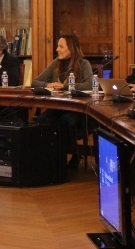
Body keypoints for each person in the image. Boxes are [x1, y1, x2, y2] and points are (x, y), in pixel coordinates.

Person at [32, 34, 93, 168]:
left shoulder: (84, 64)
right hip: (58, 107)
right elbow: (35, 81)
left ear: (70, 48)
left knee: (65, 122)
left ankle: (74, 155)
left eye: (61, 46)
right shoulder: (56, 63)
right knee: (42, 120)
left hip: (78, 110)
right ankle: (50, 156)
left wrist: (64, 86)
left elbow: (90, 85)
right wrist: (47, 85)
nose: (57, 49)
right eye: (57, 46)